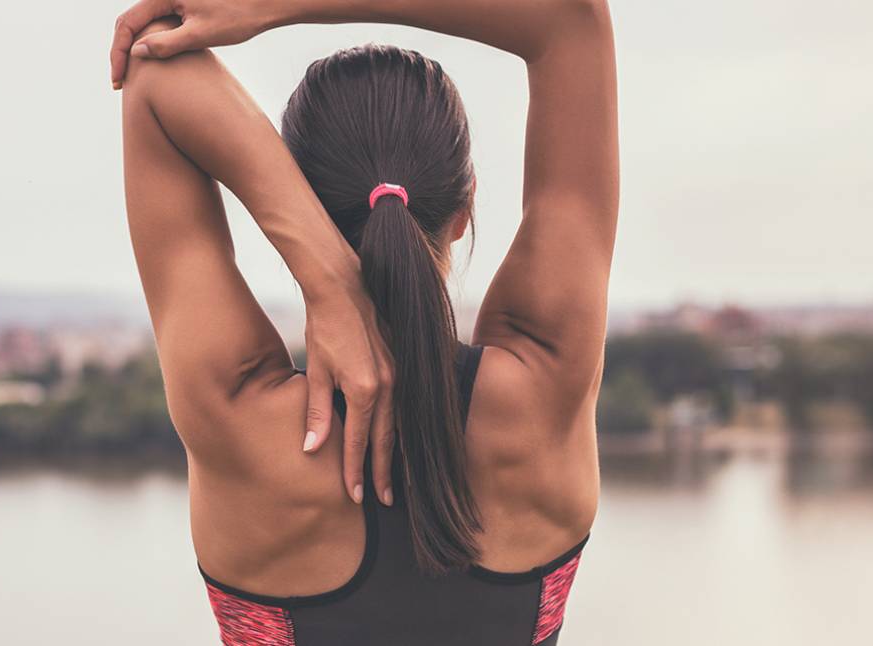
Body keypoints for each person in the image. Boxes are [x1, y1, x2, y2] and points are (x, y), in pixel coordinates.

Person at [110, 0, 616, 642]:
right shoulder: (547, 383)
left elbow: (154, 67)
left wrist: (325, 277)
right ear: (464, 209)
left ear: (300, 201)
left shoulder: (240, 416)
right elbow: (571, 19)